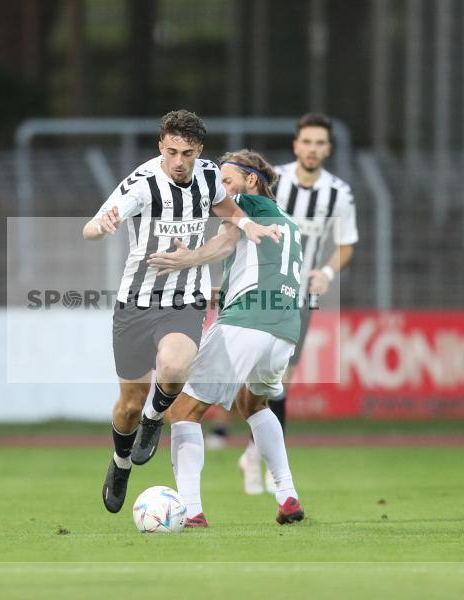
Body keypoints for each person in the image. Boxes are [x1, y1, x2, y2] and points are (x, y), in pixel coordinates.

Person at [82, 110, 281, 514]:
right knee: (128, 405)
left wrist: (249, 227)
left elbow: (228, 209)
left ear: (199, 151)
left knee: (175, 367)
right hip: (136, 303)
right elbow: (90, 228)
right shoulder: (141, 184)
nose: (178, 161)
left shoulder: (208, 176)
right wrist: (103, 225)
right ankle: (120, 464)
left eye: (186, 153)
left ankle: (155, 420)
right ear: (161, 147)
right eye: (171, 152)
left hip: (185, 300)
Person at [146, 149, 305, 527]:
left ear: (252, 180)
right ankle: (287, 495)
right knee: (254, 404)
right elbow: (262, 277)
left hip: (247, 323)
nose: (221, 188)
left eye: (227, 180)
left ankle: (190, 511)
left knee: (182, 409)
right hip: (283, 331)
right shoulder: (287, 222)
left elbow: (213, 213)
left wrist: (187, 257)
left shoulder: (246, 205)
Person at [239, 113, 358, 495]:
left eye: (319, 143)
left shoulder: (339, 193)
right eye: (307, 141)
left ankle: (261, 461)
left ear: (328, 149)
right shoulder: (273, 180)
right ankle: (255, 454)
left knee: (279, 378)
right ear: (296, 145)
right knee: (251, 376)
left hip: (299, 297)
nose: (312, 149)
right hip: (258, 290)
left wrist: (327, 272)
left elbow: (346, 244)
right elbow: (241, 218)